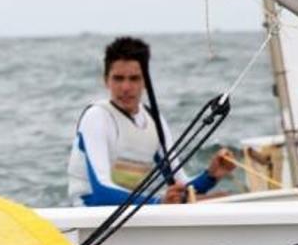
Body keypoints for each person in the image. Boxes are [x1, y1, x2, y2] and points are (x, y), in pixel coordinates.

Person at [66, 37, 234, 206]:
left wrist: (211, 176)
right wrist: (157, 202)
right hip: (89, 217)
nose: (125, 87)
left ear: (145, 81)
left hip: (132, 213)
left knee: (224, 198)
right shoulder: (96, 117)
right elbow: (102, 192)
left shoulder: (153, 120)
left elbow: (179, 186)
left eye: (134, 79)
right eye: (118, 78)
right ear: (106, 80)